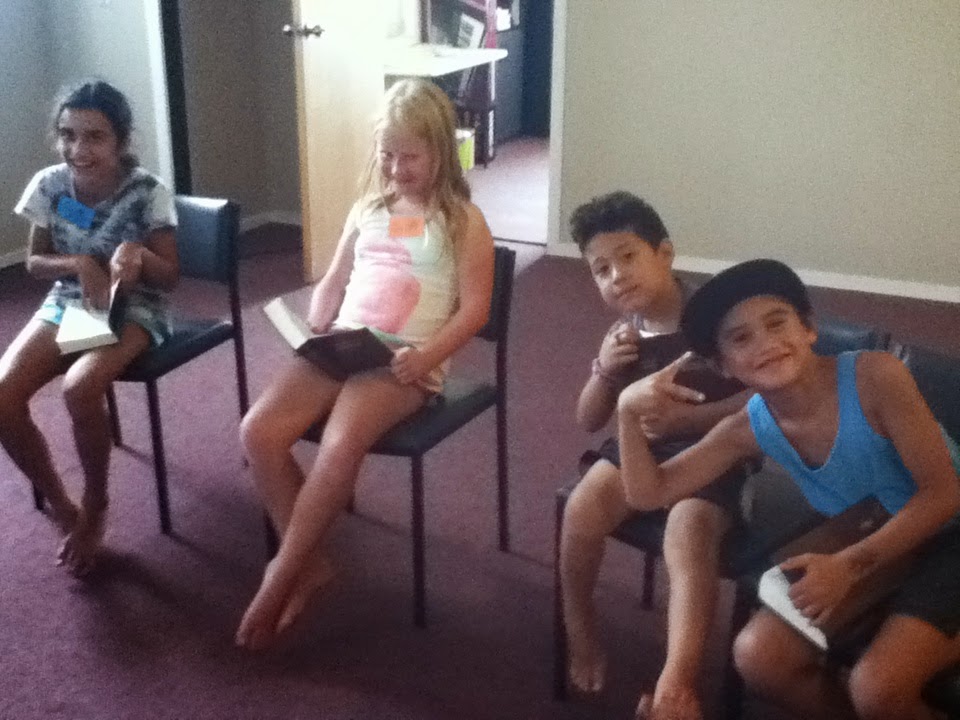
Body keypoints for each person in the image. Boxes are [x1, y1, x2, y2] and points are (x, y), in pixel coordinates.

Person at [617, 258, 960, 720]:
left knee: (876, 689)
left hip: (949, 529)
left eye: (777, 323)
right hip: (889, 531)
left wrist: (847, 566)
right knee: (760, 657)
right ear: (723, 366)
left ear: (809, 328)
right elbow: (649, 493)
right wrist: (627, 412)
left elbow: (943, 495)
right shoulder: (750, 426)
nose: (765, 344)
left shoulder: (876, 377)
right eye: (741, 338)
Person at [236, 78, 495, 651]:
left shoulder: (462, 220)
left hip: (405, 362)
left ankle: (282, 573)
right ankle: (310, 562)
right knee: (258, 431)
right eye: (387, 154)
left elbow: (475, 311)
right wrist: (314, 325)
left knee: (339, 441)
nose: (396, 168)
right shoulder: (368, 210)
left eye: (410, 157)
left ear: (439, 152)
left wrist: (425, 358)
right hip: (345, 346)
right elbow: (333, 284)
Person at [559, 191, 750, 719]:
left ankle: (676, 683)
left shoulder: (715, 320)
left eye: (628, 257)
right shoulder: (625, 334)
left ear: (664, 254)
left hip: (715, 452)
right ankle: (579, 628)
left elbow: (761, 399)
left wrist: (688, 421)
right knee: (581, 510)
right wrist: (605, 369)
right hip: (641, 448)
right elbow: (588, 419)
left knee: (687, 534)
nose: (617, 276)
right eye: (601, 270)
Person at [0, 80, 180, 576]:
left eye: (95, 136)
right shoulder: (50, 185)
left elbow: (170, 277)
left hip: (136, 307)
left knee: (80, 388)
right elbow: (34, 261)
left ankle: (96, 504)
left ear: (121, 140)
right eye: (68, 134)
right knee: (2, 394)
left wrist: (138, 255)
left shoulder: (147, 191)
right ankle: (63, 505)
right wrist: (79, 263)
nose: (79, 149)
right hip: (71, 302)